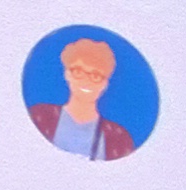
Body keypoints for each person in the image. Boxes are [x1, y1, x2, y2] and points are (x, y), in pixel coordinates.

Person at [25, 31, 136, 161]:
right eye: (78, 72)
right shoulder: (40, 116)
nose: (85, 81)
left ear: (105, 84)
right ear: (67, 74)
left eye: (95, 76)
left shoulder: (119, 138)